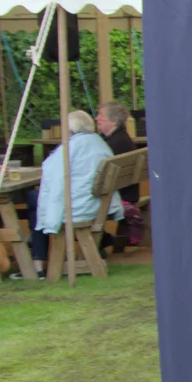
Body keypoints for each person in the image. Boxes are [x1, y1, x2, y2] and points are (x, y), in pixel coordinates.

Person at [34, 110, 124, 271]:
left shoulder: (70, 146)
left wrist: (49, 219)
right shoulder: (98, 142)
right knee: (34, 198)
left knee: (34, 198)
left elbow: (54, 179)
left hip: (79, 207)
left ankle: (38, 260)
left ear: (69, 130)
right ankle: (38, 255)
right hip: (97, 204)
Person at [95, 102, 140, 203]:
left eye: (101, 115)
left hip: (116, 198)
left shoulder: (113, 144)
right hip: (126, 194)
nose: (96, 118)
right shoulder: (121, 139)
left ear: (114, 121)